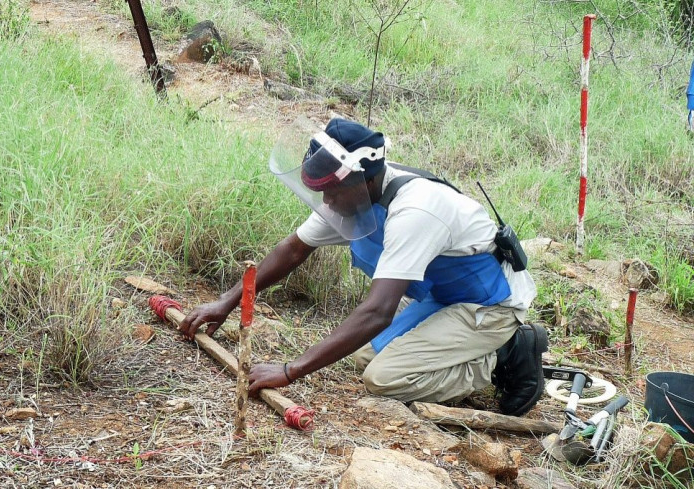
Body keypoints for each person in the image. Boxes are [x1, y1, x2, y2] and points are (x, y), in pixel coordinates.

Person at [180, 117, 547, 416]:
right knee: (362, 354)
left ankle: (504, 353)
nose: (326, 201)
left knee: (384, 379)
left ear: (365, 180)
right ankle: (474, 344)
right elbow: (292, 251)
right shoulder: (350, 197)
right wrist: (227, 302)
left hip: (489, 305)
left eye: (332, 192)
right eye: (320, 190)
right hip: (443, 298)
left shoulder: (416, 211)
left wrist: (291, 371)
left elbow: (377, 312)